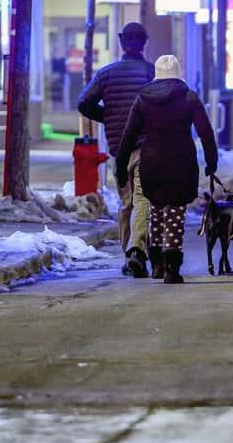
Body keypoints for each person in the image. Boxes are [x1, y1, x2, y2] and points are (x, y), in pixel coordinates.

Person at [115, 55, 218, 284]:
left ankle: (157, 265)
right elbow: (206, 132)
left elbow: (128, 135)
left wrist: (121, 167)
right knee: (175, 214)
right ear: (178, 73)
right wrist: (212, 161)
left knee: (155, 211)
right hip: (181, 163)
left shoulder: (143, 99)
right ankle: (172, 267)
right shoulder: (189, 97)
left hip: (151, 162)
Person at [77, 22, 155, 278]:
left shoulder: (107, 73)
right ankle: (136, 252)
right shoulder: (150, 73)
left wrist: (107, 117)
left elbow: (84, 103)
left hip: (118, 149)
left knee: (127, 203)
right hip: (146, 147)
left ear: (122, 41)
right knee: (143, 200)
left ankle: (130, 254)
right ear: (145, 42)